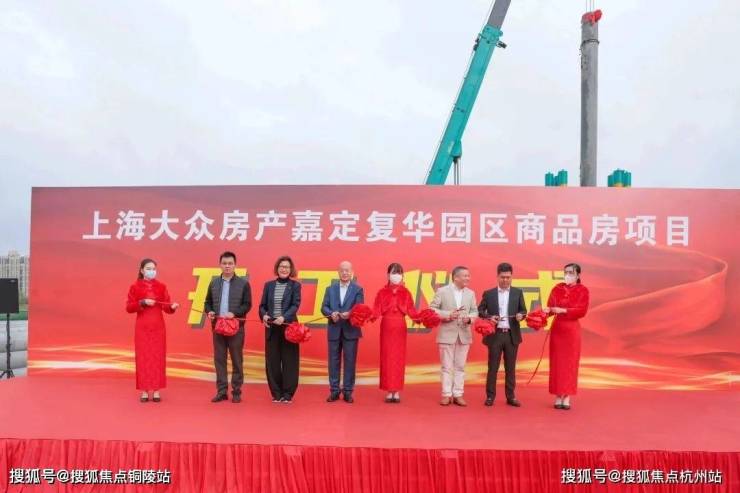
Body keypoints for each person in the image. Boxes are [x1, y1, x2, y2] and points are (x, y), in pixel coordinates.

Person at [126, 258, 179, 403]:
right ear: (142, 270)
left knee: (157, 357)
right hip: (142, 327)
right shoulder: (135, 287)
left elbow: (166, 306)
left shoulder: (161, 286)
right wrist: (142, 302)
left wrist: (172, 307)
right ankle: (144, 391)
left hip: (158, 327)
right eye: (148, 269)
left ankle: (156, 390)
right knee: (143, 357)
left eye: (154, 269)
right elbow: (129, 307)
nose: (151, 271)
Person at [204, 251, 252, 404]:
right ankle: (222, 391)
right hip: (218, 327)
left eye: (230, 263)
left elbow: (247, 304)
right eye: (224, 263)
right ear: (220, 265)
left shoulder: (243, 283)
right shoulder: (214, 283)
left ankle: (236, 391)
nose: (227, 266)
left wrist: (234, 313)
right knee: (219, 360)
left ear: (235, 265)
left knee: (237, 360)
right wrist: (210, 311)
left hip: (236, 327)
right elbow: (207, 302)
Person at [477, 262, 527, 407]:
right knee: (492, 367)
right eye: (502, 277)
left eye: (508, 277)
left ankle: (511, 396)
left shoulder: (518, 293)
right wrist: (489, 317)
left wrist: (521, 315)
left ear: (512, 277)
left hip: (511, 335)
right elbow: (480, 310)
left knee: (510, 368)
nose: (505, 280)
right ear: (497, 277)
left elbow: (523, 310)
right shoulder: (489, 293)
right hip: (495, 335)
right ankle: (490, 396)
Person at [372, 263, 420, 403]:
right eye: (394, 272)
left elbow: (412, 311)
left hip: (400, 327)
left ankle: (396, 391)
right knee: (387, 357)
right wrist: (365, 316)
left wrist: (421, 318)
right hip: (386, 326)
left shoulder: (406, 293)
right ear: (388, 275)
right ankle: (389, 391)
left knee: (398, 358)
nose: (396, 275)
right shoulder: (381, 292)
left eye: (399, 273)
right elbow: (376, 310)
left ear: (402, 276)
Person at [545, 263, 590, 410]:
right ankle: (558, 395)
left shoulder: (583, 290)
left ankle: (567, 396)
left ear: (578, 275)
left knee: (570, 363)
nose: (567, 275)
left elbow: (582, 311)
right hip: (558, 330)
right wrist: (546, 311)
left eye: (571, 272)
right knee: (557, 363)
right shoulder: (557, 288)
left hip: (571, 331)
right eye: (565, 272)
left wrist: (563, 310)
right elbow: (550, 307)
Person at [430, 266, 478, 406]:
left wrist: (469, 319)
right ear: (456, 277)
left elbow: (475, 311)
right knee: (446, 367)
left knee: (460, 366)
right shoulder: (442, 291)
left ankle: (458, 394)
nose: (468, 278)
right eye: (465, 276)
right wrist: (448, 315)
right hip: (447, 334)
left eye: (468, 275)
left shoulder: (470, 293)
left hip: (464, 334)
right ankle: (446, 394)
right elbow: (432, 309)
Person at [259, 255, 302, 403]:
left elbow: (295, 305)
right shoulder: (269, 285)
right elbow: (262, 306)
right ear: (277, 268)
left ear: (291, 270)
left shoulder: (295, 286)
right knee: (273, 361)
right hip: (272, 327)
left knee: (290, 361)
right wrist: (264, 315)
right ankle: (276, 393)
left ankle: (288, 394)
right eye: (282, 266)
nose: (284, 269)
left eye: (287, 267)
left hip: (288, 327)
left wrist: (284, 317)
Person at [321, 261, 364, 403]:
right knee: (333, 362)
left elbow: (360, 308)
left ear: (352, 272)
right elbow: (324, 307)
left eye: (347, 270)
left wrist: (350, 314)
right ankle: (334, 391)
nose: (345, 273)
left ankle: (348, 392)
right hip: (334, 329)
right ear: (338, 272)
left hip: (351, 330)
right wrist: (331, 313)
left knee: (350, 362)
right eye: (342, 270)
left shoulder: (358, 289)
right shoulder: (330, 289)